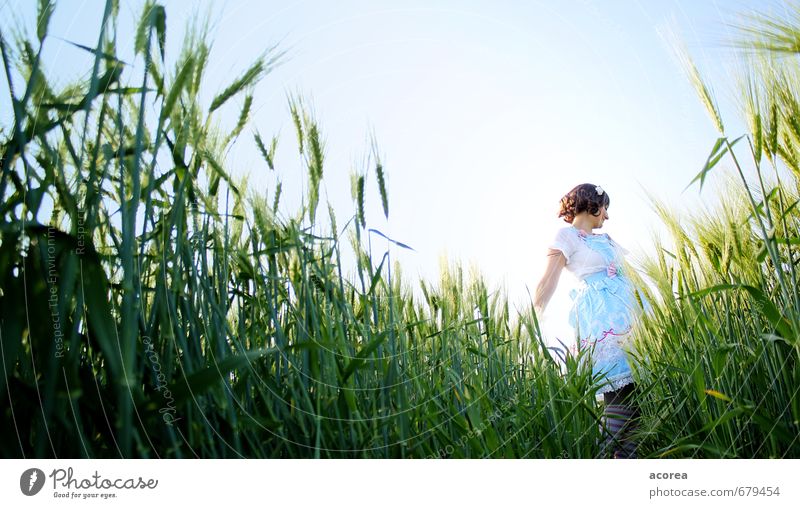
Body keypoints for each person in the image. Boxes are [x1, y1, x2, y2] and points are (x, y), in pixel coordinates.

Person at [533, 183, 650, 459]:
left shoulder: (608, 240)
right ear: (593, 204)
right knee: (618, 403)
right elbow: (549, 279)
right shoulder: (568, 236)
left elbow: (635, 277)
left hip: (633, 323)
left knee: (636, 407)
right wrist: (533, 317)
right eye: (605, 208)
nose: (607, 217)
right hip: (603, 325)